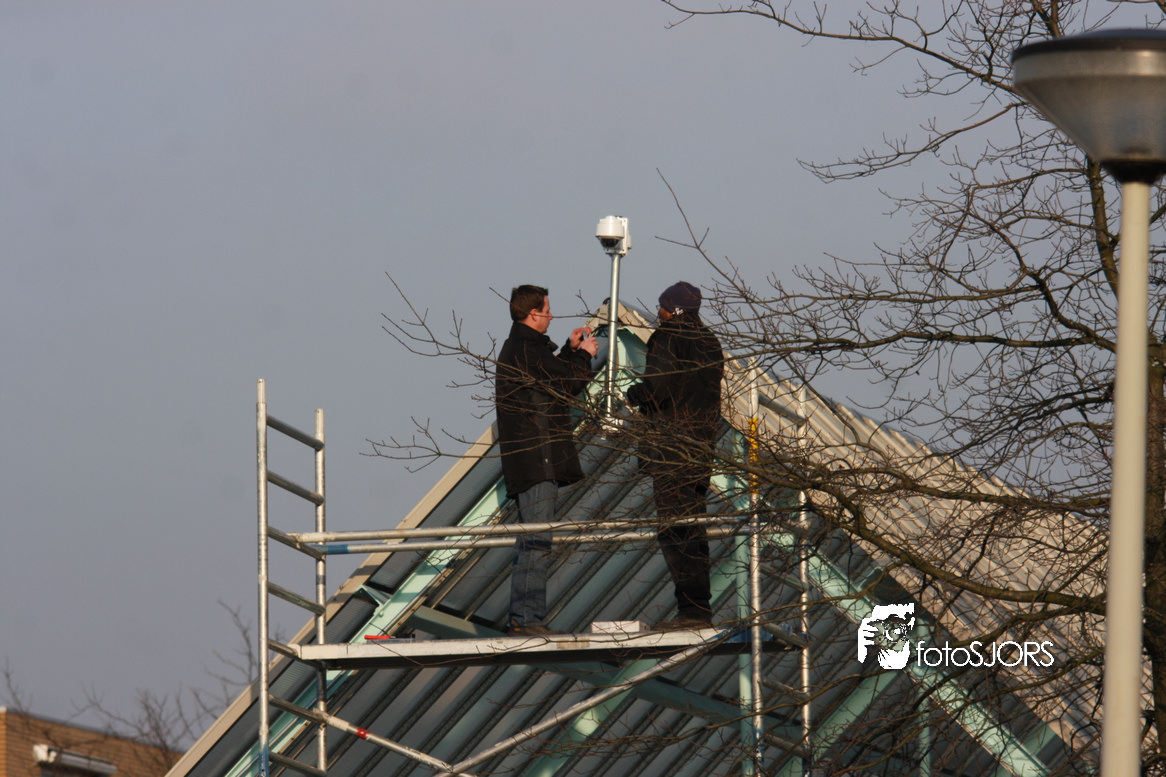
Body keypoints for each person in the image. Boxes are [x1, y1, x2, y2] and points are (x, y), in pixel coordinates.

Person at [495, 284, 598, 637]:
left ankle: (526, 619)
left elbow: (551, 379)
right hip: (538, 460)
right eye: (548, 310)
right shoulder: (527, 351)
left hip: (532, 460)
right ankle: (526, 620)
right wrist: (584, 356)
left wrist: (570, 351)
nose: (552, 316)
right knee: (536, 541)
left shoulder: (522, 350)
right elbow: (567, 385)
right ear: (533, 313)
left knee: (533, 539)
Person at [626, 281, 724, 631]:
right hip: (699, 450)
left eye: (662, 306)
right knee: (693, 528)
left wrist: (633, 394)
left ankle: (691, 612)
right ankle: (699, 609)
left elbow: (658, 389)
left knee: (674, 530)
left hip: (671, 450)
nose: (658, 313)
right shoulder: (710, 342)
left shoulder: (669, 337)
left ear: (673, 309)